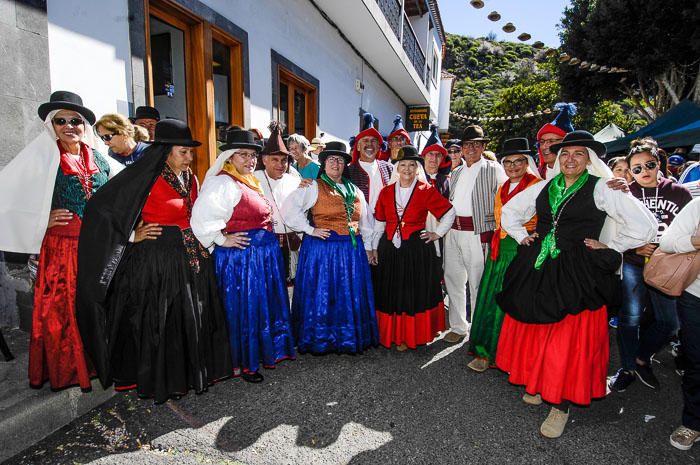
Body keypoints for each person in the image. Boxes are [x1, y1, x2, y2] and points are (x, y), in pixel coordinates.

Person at [495, 130, 657, 438]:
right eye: (565, 154)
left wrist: (611, 245)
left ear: (589, 159)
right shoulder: (544, 186)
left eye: (578, 154)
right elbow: (511, 214)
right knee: (539, 328)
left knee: (569, 340)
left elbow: (645, 225)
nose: (570, 160)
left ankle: (562, 404)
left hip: (579, 271)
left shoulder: (602, 188)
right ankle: (541, 384)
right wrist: (522, 236)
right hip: (541, 266)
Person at [76, 119, 232, 402]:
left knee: (189, 315)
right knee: (163, 318)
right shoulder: (146, 178)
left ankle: (186, 373)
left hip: (190, 256)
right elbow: (102, 207)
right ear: (165, 151)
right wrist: (132, 234)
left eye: (190, 152)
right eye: (182, 152)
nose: (189, 157)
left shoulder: (191, 178)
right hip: (157, 259)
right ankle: (162, 378)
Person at [0, 91, 117, 390]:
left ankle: (97, 362)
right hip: (62, 250)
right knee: (63, 309)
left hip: (96, 249)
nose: (69, 126)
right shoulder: (43, 157)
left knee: (96, 305)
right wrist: (41, 217)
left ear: (84, 125)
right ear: (51, 125)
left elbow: (116, 196)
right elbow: (8, 196)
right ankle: (69, 370)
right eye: (60, 120)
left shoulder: (99, 159)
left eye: (75, 120)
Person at [191, 125, 295, 383]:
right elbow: (202, 218)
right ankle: (245, 363)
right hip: (243, 261)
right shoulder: (222, 182)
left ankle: (261, 353)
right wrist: (220, 239)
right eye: (243, 155)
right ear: (230, 157)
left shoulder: (250, 180)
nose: (249, 160)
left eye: (252, 155)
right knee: (246, 310)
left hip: (262, 257)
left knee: (262, 308)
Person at [609, 138, 693, 392]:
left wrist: (672, 246)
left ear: (659, 163)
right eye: (636, 168)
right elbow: (613, 230)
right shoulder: (626, 193)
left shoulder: (679, 193)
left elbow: (692, 227)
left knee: (670, 322)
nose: (644, 172)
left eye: (649, 164)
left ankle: (641, 357)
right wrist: (633, 247)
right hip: (634, 262)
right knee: (631, 317)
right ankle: (626, 368)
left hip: (668, 264)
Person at [281, 141, 378, 354]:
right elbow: (288, 210)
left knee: (347, 294)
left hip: (351, 251)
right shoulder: (313, 186)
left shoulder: (355, 190)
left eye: (341, 160)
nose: (336, 164)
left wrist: (369, 248)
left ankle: (347, 337)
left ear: (345, 165)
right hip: (323, 250)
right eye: (332, 160)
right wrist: (308, 229)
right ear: (323, 164)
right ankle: (321, 339)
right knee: (323, 293)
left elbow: (366, 222)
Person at [467, 138, 542, 372]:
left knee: (514, 299)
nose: (513, 166)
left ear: (527, 162)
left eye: (518, 161)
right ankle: (487, 350)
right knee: (492, 298)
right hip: (500, 248)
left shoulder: (538, 185)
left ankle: (510, 355)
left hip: (523, 250)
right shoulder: (503, 186)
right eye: (508, 162)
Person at [373, 146, 455, 351]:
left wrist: (437, 233)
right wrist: (373, 248)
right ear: (397, 168)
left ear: (417, 168)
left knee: (411, 292)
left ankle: (409, 335)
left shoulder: (425, 190)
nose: (407, 169)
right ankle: (392, 333)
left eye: (411, 165)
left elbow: (449, 212)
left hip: (416, 250)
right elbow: (379, 223)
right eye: (403, 165)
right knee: (391, 291)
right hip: (390, 249)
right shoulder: (385, 192)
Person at [442, 125, 507, 343]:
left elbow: (505, 198)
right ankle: (459, 326)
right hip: (453, 231)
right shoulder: (457, 171)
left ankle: (478, 330)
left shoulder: (494, 169)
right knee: (453, 279)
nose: (471, 148)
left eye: (476, 144)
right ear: (461, 148)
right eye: (467, 144)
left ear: (483, 147)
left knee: (478, 282)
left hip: (477, 232)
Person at [658, 197, 700, 451]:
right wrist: (695, 241)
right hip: (696, 297)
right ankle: (694, 423)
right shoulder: (698, 206)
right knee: (697, 363)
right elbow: (668, 242)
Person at [253, 123, 303, 283]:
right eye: (275, 160)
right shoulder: (253, 179)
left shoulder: (294, 180)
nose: (280, 165)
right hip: (263, 244)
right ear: (264, 159)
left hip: (290, 243)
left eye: (284, 160)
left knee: (289, 284)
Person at [347, 113, 393, 215]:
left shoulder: (390, 168)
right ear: (358, 147)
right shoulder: (348, 171)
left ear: (378, 147)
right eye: (365, 140)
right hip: (359, 225)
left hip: (384, 225)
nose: (369, 144)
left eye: (373, 141)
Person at [536, 103, 576, 180]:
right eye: (542, 141)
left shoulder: (583, 175)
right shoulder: (537, 177)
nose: (545, 146)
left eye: (551, 141)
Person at [422, 125, 451, 199]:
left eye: (438, 155)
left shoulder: (447, 182)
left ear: (442, 158)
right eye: (430, 153)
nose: (434, 158)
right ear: (424, 156)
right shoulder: (414, 177)